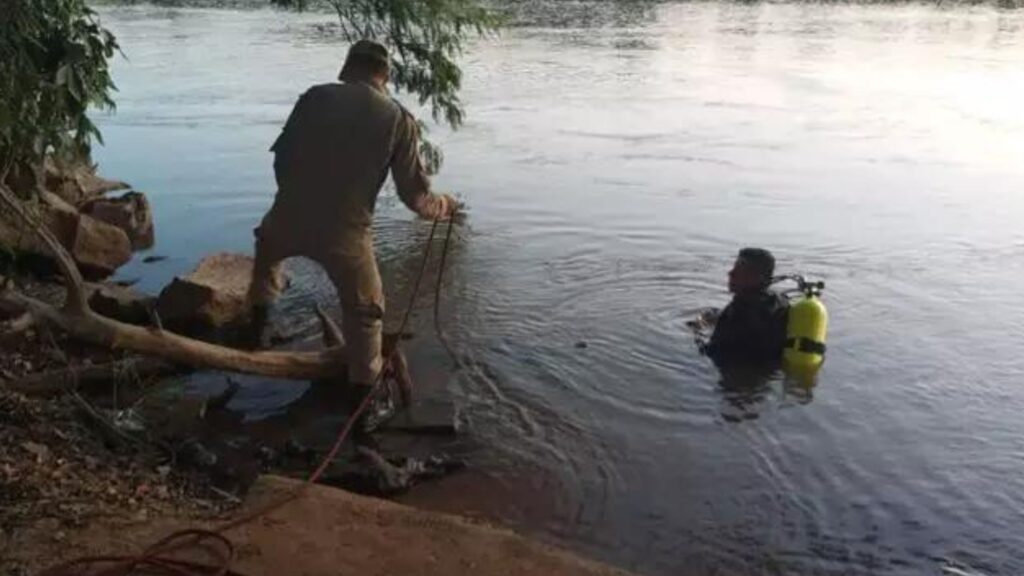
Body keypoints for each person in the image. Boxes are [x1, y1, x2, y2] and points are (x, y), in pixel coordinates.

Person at [247, 40, 458, 405]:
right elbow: (416, 199)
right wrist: (445, 206)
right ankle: (364, 402)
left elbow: (281, 159)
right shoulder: (397, 119)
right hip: (345, 235)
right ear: (385, 75)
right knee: (366, 313)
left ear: (347, 68)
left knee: (267, 256)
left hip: (285, 217)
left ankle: (256, 333)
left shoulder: (313, 97)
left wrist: (296, 197)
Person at [700, 248, 789, 368]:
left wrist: (698, 332)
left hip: (739, 377)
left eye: (739, 270)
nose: (730, 273)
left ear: (757, 277)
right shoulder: (779, 300)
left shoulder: (738, 313)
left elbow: (712, 352)